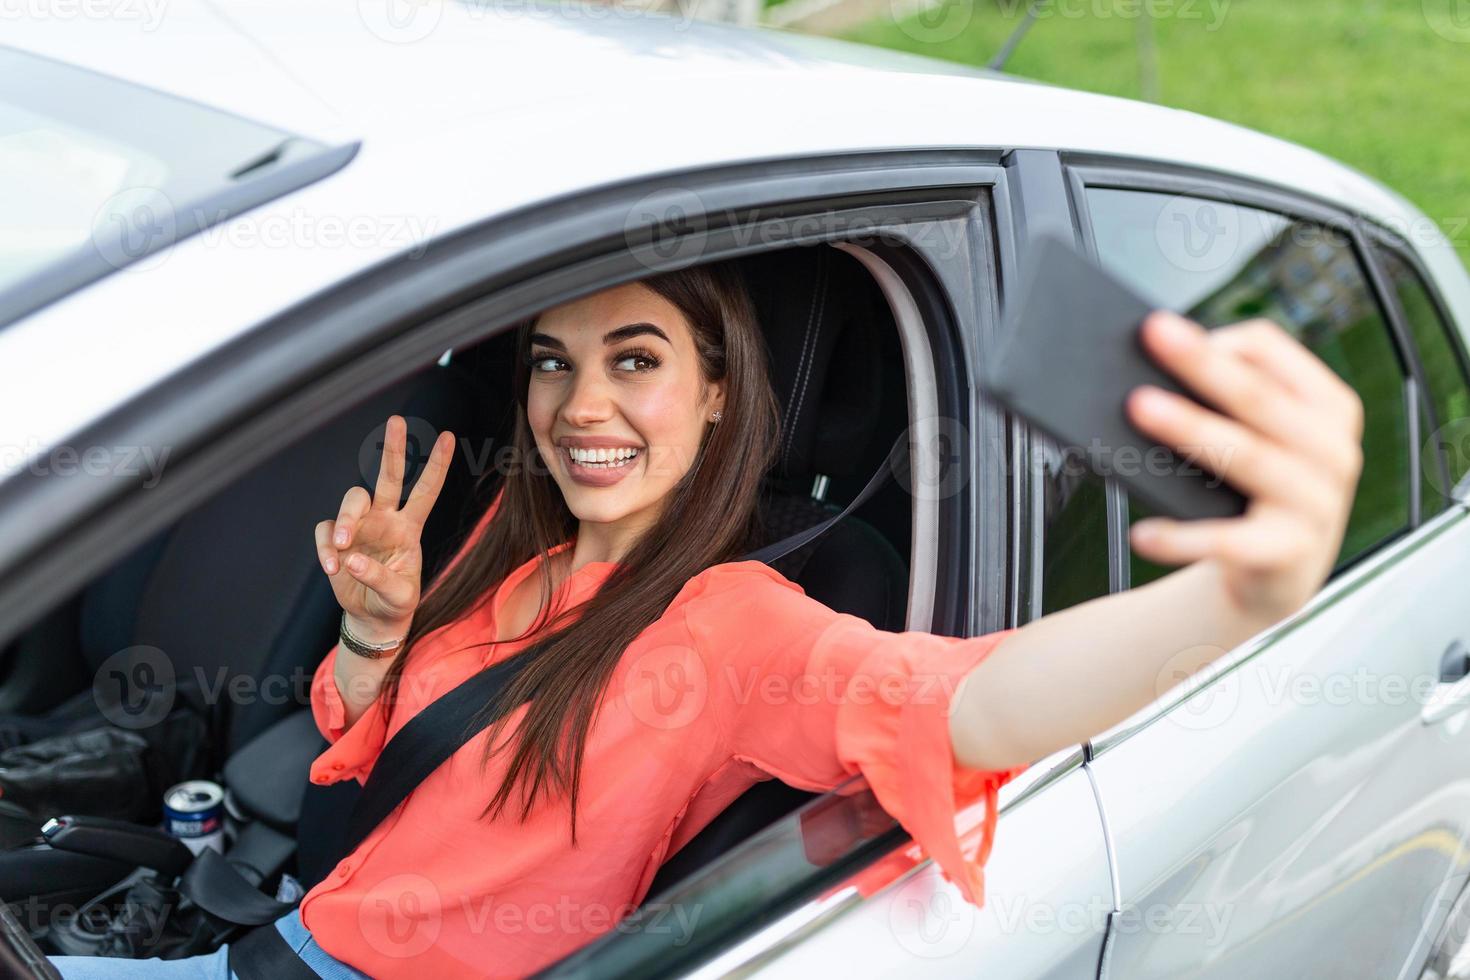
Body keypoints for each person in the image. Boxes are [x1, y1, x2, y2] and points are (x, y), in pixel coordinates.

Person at [51, 258, 1361, 978]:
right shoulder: (520, 558)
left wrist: (1241, 595)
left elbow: (966, 703)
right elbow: (364, 753)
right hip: (271, 947)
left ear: (723, 398)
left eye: (636, 360)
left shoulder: (734, 627)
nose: (579, 404)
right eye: (556, 361)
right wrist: (379, 630)